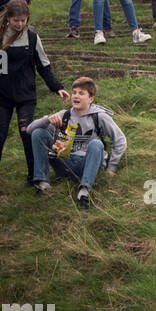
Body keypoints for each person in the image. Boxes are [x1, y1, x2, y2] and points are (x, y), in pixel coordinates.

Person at [0, 0, 68, 181]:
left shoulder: (32, 38)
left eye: (23, 20)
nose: (20, 24)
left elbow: (44, 67)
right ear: (8, 19)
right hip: (2, 98)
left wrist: (57, 87)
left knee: (26, 133)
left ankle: (34, 177)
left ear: (27, 18)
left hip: (26, 96)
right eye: (15, 20)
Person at [26, 75, 126, 210]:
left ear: (91, 99)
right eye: (74, 92)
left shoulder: (100, 116)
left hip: (88, 164)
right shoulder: (64, 115)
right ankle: (43, 185)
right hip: (66, 161)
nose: (76, 96)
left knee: (96, 144)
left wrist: (112, 168)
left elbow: (120, 140)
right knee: (39, 133)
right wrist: (48, 120)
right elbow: (29, 130)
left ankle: (84, 193)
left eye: (81, 93)